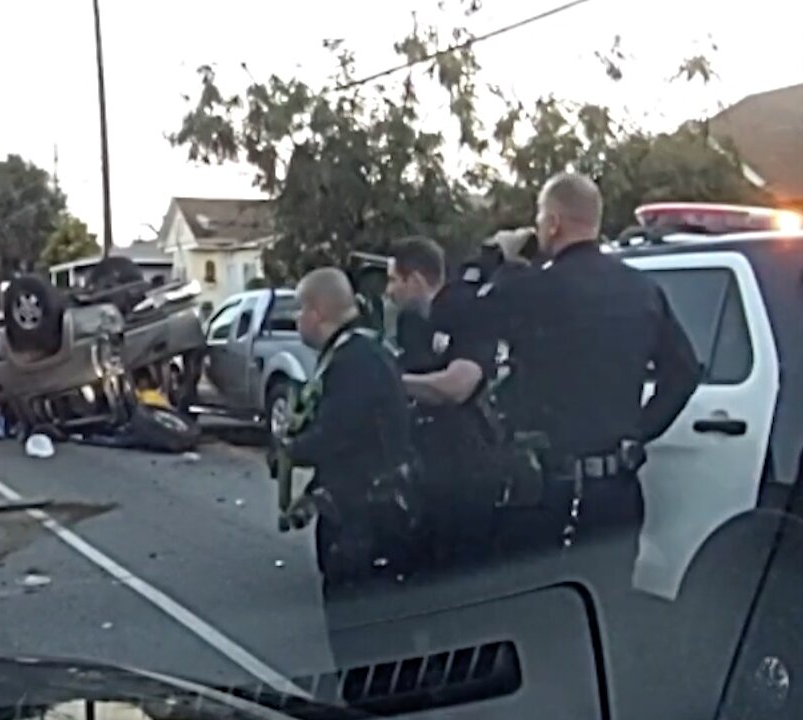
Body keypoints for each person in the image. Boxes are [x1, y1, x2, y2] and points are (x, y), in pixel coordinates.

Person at [472, 172, 701, 595]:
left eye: (541, 219)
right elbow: (684, 372)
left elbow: (468, 318)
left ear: (554, 223)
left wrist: (500, 262)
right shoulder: (642, 290)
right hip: (615, 490)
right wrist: (639, 430)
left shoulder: (535, 288)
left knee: (530, 610)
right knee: (607, 606)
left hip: (543, 491)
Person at [273, 267, 418, 679]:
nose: (297, 320)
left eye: (300, 310)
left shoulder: (354, 360)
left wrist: (292, 447)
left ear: (317, 312)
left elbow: (338, 434)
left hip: (365, 520)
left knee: (365, 646)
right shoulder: (358, 351)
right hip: (365, 509)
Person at [385, 237, 502, 571]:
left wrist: (392, 385)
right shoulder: (413, 325)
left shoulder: (468, 311)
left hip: (466, 468)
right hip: (425, 469)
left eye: (395, 280)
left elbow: (458, 386)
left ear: (417, 280)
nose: (389, 292)